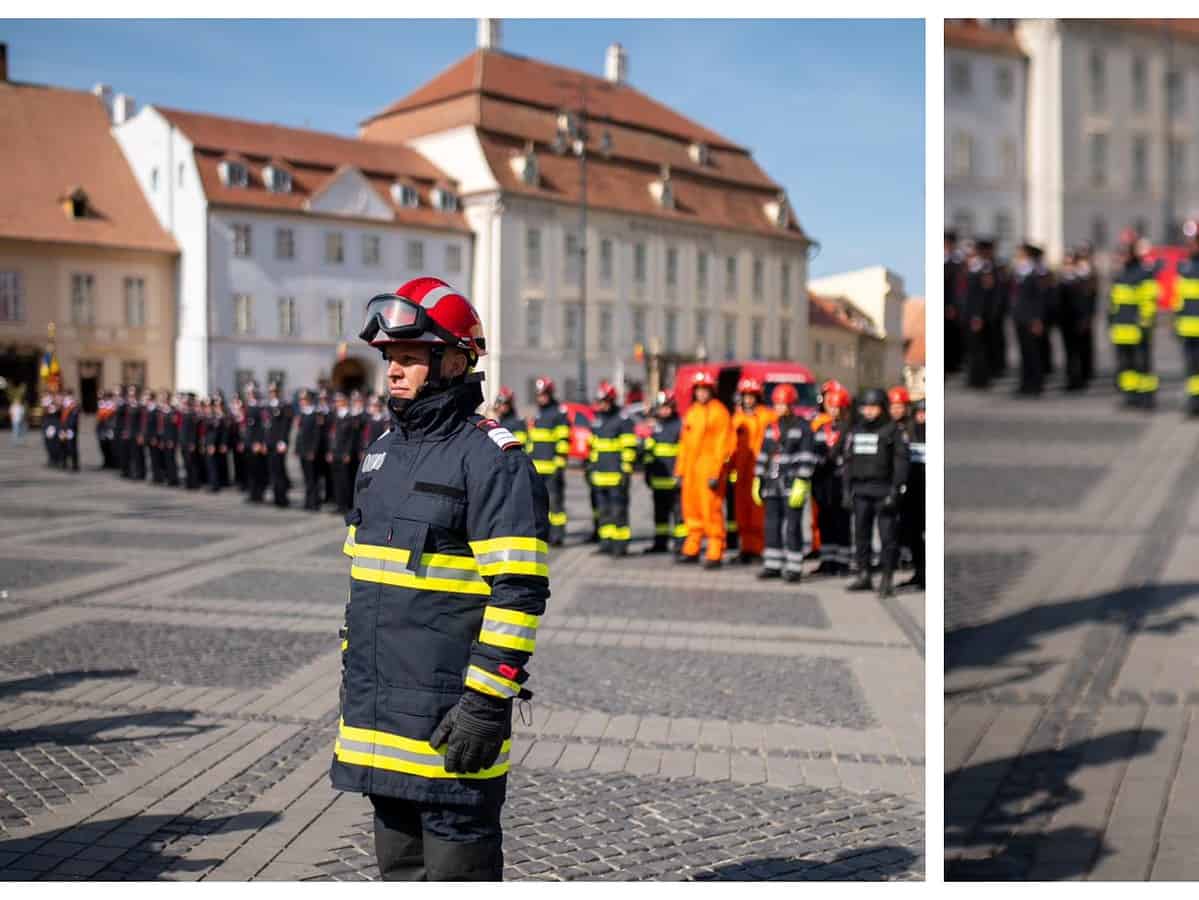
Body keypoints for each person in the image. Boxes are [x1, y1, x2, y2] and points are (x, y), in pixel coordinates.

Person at [333, 276, 549, 882]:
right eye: (389, 359)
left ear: (455, 361)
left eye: (409, 358)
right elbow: (366, 584)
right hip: (380, 716)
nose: (393, 372)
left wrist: (486, 700)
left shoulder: (493, 460)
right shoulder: (381, 452)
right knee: (399, 874)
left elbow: (519, 592)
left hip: (452, 720)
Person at [845, 388, 910, 597]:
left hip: (884, 491)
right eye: (866, 407)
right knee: (861, 536)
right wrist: (847, 491)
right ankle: (864, 574)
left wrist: (895, 490)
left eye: (873, 407)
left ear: (882, 408)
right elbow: (848, 462)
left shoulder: (892, 431)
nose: (869, 412)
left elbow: (901, 463)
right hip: (861, 490)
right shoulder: (856, 431)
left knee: (887, 538)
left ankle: (886, 578)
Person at [755, 383, 817, 582]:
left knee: (792, 526)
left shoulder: (803, 427)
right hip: (772, 483)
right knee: (771, 524)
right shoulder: (771, 427)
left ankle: (794, 566)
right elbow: (763, 455)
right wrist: (758, 479)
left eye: (784, 403)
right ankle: (772, 564)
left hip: (792, 484)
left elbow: (807, 456)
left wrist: (802, 480)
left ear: (792, 404)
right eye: (777, 404)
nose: (780, 407)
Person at [675, 370, 733, 569]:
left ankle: (715, 550)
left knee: (711, 511)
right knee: (691, 510)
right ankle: (692, 548)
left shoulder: (719, 413)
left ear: (711, 391)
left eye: (704, 390)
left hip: (709, 468)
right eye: (698, 390)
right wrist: (680, 471)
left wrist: (716, 473)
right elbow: (684, 445)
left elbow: (724, 445)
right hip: (692, 469)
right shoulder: (692, 412)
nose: (701, 393)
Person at [1109, 230, 1160, 409]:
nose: (1121, 257)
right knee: (1127, 367)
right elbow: (1114, 304)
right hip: (1122, 331)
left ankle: (1147, 398)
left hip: (1138, 329)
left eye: (1124, 253)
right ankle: (1130, 397)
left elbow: (1149, 300)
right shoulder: (1120, 275)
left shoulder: (1142, 274)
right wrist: (1112, 325)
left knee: (1143, 366)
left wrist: (1145, 325)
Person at [729, 376, 775, 565]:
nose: (748, 400)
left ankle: (758, 548)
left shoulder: (767, 416)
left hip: (759, 471)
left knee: (758, 512)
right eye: (745, 396)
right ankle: (746, 548)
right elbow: (730, 446)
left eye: (751, 396)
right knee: (742, 513)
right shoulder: (737, 418)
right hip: (740, 473)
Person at [586, 380, 635, 556]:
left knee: (618, 513)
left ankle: (620, 545)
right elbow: (592, 448)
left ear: (612, 400)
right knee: (603, 513)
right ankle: (606, 543)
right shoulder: (597, 421)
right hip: (599, 476)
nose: (601, 404)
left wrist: (625, 470)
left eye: (605, 401)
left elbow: (629, 448)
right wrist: (590, 468)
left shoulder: (623, 420)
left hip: (616, 476)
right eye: (600, 401)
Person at [811, 381, 853, 576]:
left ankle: (843, 562)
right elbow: (815, 451)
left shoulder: (850, 430)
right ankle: (827, 560)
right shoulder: (822, 428)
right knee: (825, 520)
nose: (835, 410)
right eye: (832, 406)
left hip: (842, 480)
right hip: (824, 481)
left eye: (838, 407)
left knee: (841, 522)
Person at [641, 388, 685, 554]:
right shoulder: (655, 427)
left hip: (676, 481)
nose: (663, 410)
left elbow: (684, 454)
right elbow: (649, 453)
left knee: (679, 516)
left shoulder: (680, 426)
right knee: (660, 515)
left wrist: (681, 475)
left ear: (673, 407)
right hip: (659, 480)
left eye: (666, 407)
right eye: (661, 407)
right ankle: (660, 543)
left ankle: (681, 545)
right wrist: (648, 472)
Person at [527, 377, 570, 546]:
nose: (540, 398)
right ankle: (543, 533)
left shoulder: (558, 413)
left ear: (550, 394)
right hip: (537, 469)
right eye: (538, 395)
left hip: (552, 469)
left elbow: (563, 441)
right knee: (539, 505)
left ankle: (558, 535)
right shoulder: (538, 413)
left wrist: (559, 465)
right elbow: (532, 442)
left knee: (555, 505)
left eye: (544, 394)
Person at [1011, 242, 1050, 396]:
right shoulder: (1021, 270)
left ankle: (1036, 385)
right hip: (1020, 317)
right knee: (1024, 352)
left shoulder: (1037, 272)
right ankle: (1025, 383)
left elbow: (1040, 299)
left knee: (1034, 352)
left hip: (1032, 319)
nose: (1018, 254)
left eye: (1021, 252)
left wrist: (1038, 319)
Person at [964, 238, 999, 389]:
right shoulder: (975, 267)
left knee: (980, 348)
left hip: (979, 315)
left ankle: (981, 378)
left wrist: (978, 315)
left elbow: (982, 296)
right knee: (973, 347)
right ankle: (975, 376)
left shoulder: (986, 269)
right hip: (971, 313)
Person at [899, 398, 926, 590]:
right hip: (911, 491)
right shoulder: (908, 434)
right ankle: (919, 571)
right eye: (919, 413)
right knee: (913, 534)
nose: (922, 417)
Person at [1173, 219, 1199, 416]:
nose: (1191, 245)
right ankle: (1194, 403)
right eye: (1189, 241)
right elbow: (1178, 299)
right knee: (1191, 371)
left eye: (1194, 241)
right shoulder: (1184, 267)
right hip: (1187, 331)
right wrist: (1176, 322)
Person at [328, 392, 357, 515]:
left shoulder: (349, 418)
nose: (337, 403)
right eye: (336, 401)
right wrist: (330, 451)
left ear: (345, 402)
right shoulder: (335, 417)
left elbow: (351, 438)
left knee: (345, 480)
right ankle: (339, 504)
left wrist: (348, 452)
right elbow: (331, 436)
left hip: (344, 453)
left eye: (339, 401)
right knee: (336, 479)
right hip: (335, 452)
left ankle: (346, 505)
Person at [265, 382, 293, 507]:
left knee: (280, 471)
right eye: (271, 392)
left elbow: (285, 426)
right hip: (270, 443)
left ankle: (282, 498)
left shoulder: (284, 407)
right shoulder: (268, 407)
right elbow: (266, 426)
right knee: (272, 472)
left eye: (275, 392)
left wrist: (283, 441)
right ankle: (276, 496)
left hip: (279, 444)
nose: (273, 394)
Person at [295, 389, 323, 511]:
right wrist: (297, 448)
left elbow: (317, 435)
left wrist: (313, 450)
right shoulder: (302, 414)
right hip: (302, 450)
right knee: (306, 477)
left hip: (311, 451)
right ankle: (308, 501)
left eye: (304, 399)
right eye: (301, 400)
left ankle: (314, 502)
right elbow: (299, 434)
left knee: (313, 478)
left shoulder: (315, 414)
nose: (302, 402)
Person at [945, 230, 965, 375]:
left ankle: (953, 363)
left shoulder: (958, 262)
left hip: (952, 304)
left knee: (953, 335)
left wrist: (952, 304)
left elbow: (956, 286)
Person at [492, 387, 527, 452]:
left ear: (509, 405)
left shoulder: (517, 423)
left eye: (503, 403)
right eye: (498, 402)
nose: (499, 406)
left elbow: (520, 447)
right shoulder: (500, 422)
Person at [59, 391, 80, 472]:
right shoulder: (64, 406)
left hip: (70, 429)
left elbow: (73, 420)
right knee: (63, 445)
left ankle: (75, 465)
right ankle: (64, 462)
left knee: (72, 446)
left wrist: (69, 428)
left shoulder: (74, 406)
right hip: (63, 428)